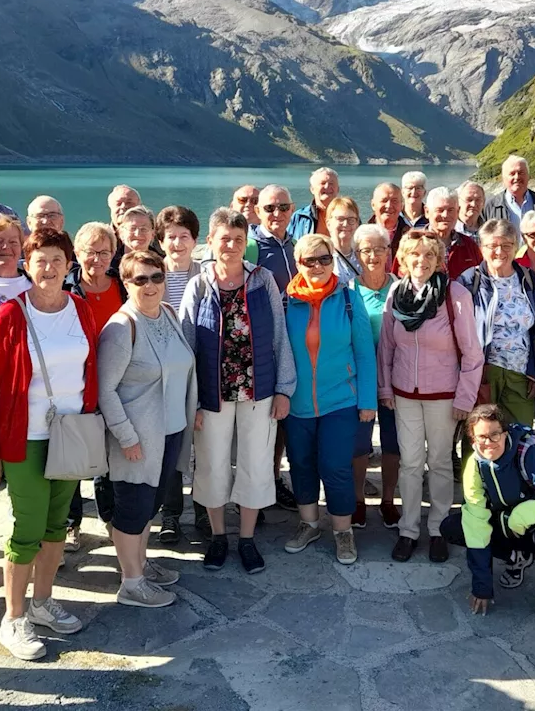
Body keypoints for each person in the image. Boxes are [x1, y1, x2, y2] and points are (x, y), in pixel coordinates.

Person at [0, 228, 98, 661]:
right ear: (27, 265)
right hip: (25, 439)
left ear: (70, 266)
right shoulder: (10, 314)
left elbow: (91, 368)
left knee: (55, 525)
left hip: (70, 435)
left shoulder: (79, 309)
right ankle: (14, 618)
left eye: (57, 260)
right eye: (40, 260)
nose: (49, 268)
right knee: (26, 529)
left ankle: (43, 603)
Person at [180, 208, 296, 574]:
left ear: (246, 244)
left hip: (257, 389)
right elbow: (186, 342)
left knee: (256, 463)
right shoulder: (199, 285)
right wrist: (191, 400)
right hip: (212, 393)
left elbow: (280, 337)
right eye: (224, 239)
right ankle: (218, 536)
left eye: (238, 240)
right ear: (210, 242)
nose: (230, 245)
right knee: (212, 464)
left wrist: (283, 389)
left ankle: (246, 538)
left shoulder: (262, 281)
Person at [98, 251, 197, 607]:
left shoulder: (167, 313)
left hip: (169, 432)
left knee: (149, 505)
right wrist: (126, 437)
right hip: (138, 438)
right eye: (141, 279)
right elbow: (104, 389)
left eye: (157, 277)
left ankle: (140, 564)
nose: (151, 285)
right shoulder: (122, 328)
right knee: (132, 508)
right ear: (126, 283)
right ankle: (131, 583)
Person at [379, 233, 483, 563]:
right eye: (414, 255)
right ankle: (409, 530)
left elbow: (472, 353)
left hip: (444, 395)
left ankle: (437, 528)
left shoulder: (455, 295)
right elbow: (387, 347)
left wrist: (465, 399)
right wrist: (385, 388)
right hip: (404, 394)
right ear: (404, 260)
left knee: (438, 462)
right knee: (410, 463)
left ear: (439, 260)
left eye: (428, 256)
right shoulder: (397, 293)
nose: (421, 261)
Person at [281, 234, 377, 564]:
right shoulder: (286, 301)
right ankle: (308, 524)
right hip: (297, 404)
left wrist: (367, 400)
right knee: (302, 465)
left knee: (335, 467)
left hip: (341, 401)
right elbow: (279, 354)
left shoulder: (349, 299)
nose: (319, 266)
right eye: (310, 260)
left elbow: (365, 353)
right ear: (298, 264)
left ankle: (342, 531)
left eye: (324, 259)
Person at [441, 405, 535, 625]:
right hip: (508, 525)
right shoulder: (475, 466)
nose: (489, 443)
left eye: (495, 434)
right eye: (482, 437)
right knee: (454, 526)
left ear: (505, 433)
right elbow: (476, 523)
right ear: (472, 439)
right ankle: (517, 559)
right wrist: (482, 587)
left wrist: (519, 516)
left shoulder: (526, 453)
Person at [64, 221, 128, 548]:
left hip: (116, 383)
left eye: (105, 252)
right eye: (90, 252)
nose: (97, 259)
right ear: (77, 253)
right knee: (74, 452)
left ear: (114, 254)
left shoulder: (123, 287)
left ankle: (110, 518)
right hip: (76, 383)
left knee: (107, 455)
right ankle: (71, 522)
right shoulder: (65, 289)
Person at [457, 219, 535, 428]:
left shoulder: (529, 279)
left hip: (521, 374)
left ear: (516, 247)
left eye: (506, 245)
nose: (499, 251)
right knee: (481, 437)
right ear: (481, 248)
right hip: (483, 374)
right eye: (492, 245)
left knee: (520, 436)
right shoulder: (469, 281)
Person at [155, 206, 207, 543]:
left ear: (195, 240)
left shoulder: (207, 275)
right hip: (163, 375)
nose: (177, 243)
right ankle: (171, 514)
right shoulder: (150, 274)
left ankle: (204, 508)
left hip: (203, 371)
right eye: (170, 237)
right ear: (160, 241)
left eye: (183, 236)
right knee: (171, 445)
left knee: (204, 444)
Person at [352, 224, 401, 530]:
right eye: (366, 250)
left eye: (378, 249)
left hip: (396, 377)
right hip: (360, 378)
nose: (372, 255)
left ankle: (387, 500)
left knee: (393, 442)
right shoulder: (348, 291)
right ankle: (357, 501)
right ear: (357, 255)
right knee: (359, 442)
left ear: (389, 252)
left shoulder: (400, 287)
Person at [391, 187, 482, 280]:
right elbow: (397, 281)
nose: (445, 215)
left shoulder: (469, 245)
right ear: (427, 211)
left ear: (458, 211)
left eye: (450, 210)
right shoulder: (410, 244)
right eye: (440, 210)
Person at [250, 184, 299, 297]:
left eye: (284, 207)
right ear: (257, 211)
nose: (277, 214)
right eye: (269, 208)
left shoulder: (295, 245)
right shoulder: (247, 248)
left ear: (292, 209)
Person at [480, 155, 535, 224]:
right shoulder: (489, 207)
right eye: (512, 174)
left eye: (521, 173)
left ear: (528, 176)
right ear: (503, 178)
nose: (517, 177)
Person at [287, 167, 340, 240]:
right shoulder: (299, 217)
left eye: (331, 183)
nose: (327, 186)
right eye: (323, 183)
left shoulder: (350, 217)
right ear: (312, 189)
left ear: (338, 189)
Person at [325, 196, 363, 284]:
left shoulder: (363, 255)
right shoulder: (322, 256)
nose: (346, 224)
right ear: (328, 224)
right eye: (340, 219)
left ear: (357, 224)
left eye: (351, 220)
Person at [370, 181, 412, 260]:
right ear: (373, 205)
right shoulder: (362, 234)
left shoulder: (411, 236)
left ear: (401, 206)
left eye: (394, 201)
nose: (389, 206)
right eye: (384, 200)